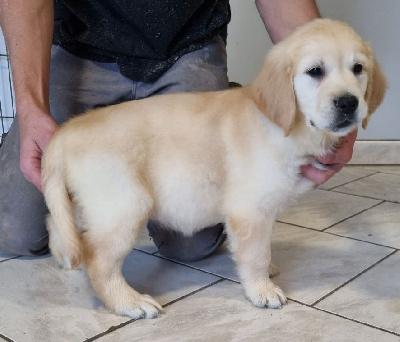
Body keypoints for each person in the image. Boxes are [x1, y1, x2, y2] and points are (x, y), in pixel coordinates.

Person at [0, 0, 356, 259]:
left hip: (186, 51)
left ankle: (234, 115)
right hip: (78, 50)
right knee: (15, 234)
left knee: (190, 244)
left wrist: (328, 101)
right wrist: (31, 109)